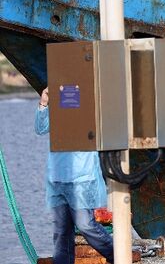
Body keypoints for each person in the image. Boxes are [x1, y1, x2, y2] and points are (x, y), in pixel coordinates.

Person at [35, 88, 114, 264]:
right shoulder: (59, 113)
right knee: (62, 231)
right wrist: (44, 102)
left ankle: (117, 256)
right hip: (58, 180)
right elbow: (40, 128)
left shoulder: (90, 114)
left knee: (85, 224)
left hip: (82, 180)